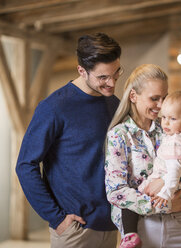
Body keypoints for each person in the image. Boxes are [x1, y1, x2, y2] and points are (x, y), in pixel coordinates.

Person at [16, 33, 122, 248]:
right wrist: (57, 218)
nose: (111, 83)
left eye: (116, 72)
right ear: (81, 70)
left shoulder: (114, 104)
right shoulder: (54, 107)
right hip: (75, 229)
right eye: (102, 77)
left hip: (111, 225)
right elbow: (25, 165)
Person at [105, 64, 181, 248]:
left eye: (165, 97)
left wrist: (163, 181)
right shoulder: (119, 135)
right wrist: (164, 204)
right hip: (141, 227)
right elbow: (116, 192)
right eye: (155, 98)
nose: (162, 105)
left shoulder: (173, 129)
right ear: (133, 96)